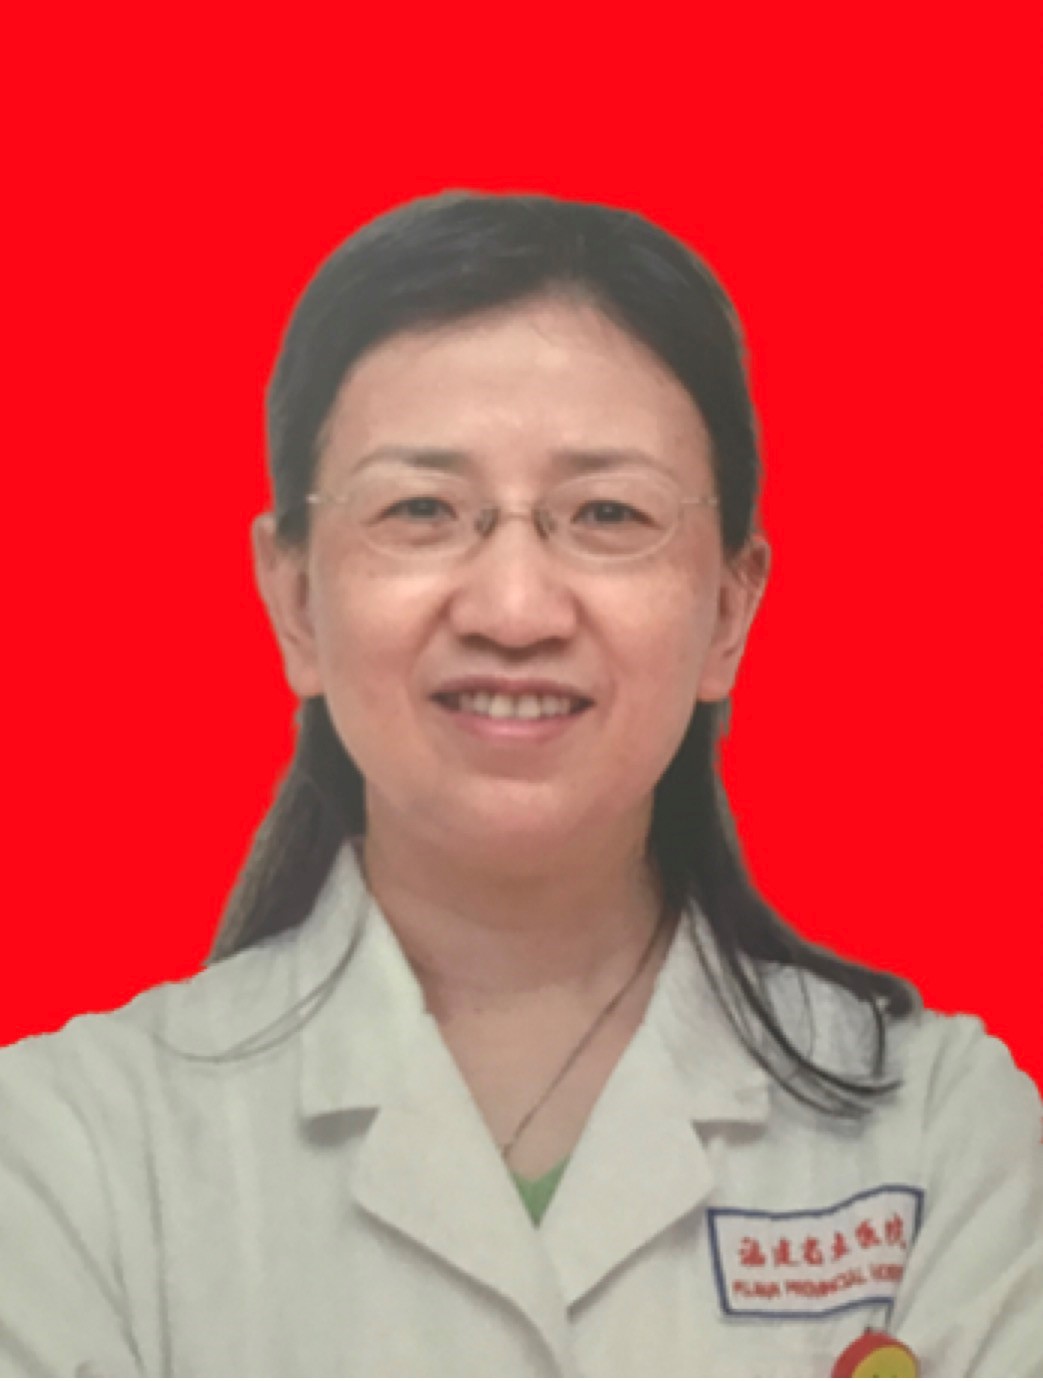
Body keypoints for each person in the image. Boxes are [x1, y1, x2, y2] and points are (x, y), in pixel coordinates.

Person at [0, 191, 1039, 1380]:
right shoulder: (68, 1151)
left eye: (606, 513)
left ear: (726, 609)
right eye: (420, 510)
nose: (512, 609)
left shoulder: (935, 1129)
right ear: (294, 601)